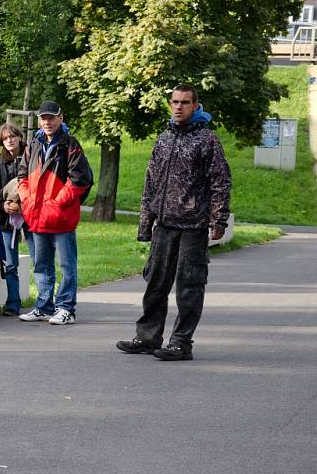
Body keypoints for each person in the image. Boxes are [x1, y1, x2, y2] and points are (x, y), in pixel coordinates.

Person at [116, 84, 231, 361]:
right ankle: (147, 338)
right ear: (170, 105)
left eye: (185, 102)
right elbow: (150, 182)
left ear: (195, 106)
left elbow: (221, 182)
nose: (179, 107)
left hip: (193, 227)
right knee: (155, 282)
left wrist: (219, 220)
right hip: (164, 225)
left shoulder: (208, 140)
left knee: (189, 286)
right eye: (175, 102)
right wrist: (146, 223)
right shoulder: (163, 139)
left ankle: (181, 342)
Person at [17, 101, 93, 325]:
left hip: (61, 217)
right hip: (37, 216)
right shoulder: (33, 145)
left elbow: (81, 180)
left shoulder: (70, 144)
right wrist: (27, 199)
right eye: (43, 118)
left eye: (51, 117)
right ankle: (43, 306)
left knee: (67, 266)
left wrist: (56, 203)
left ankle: (66, 308)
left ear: (61, 118)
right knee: (41, 265)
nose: (47, 122)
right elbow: (22, 175)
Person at [0, 122, 29, 316]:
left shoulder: (32, 156)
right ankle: (13, 304)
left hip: (33, 218)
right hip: (7, 221)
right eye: (5, 138)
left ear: (19, 137)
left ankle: (46, 304)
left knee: (42, 261)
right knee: (10, 264)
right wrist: (3, 205)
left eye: (12, 136)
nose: (9, 140)